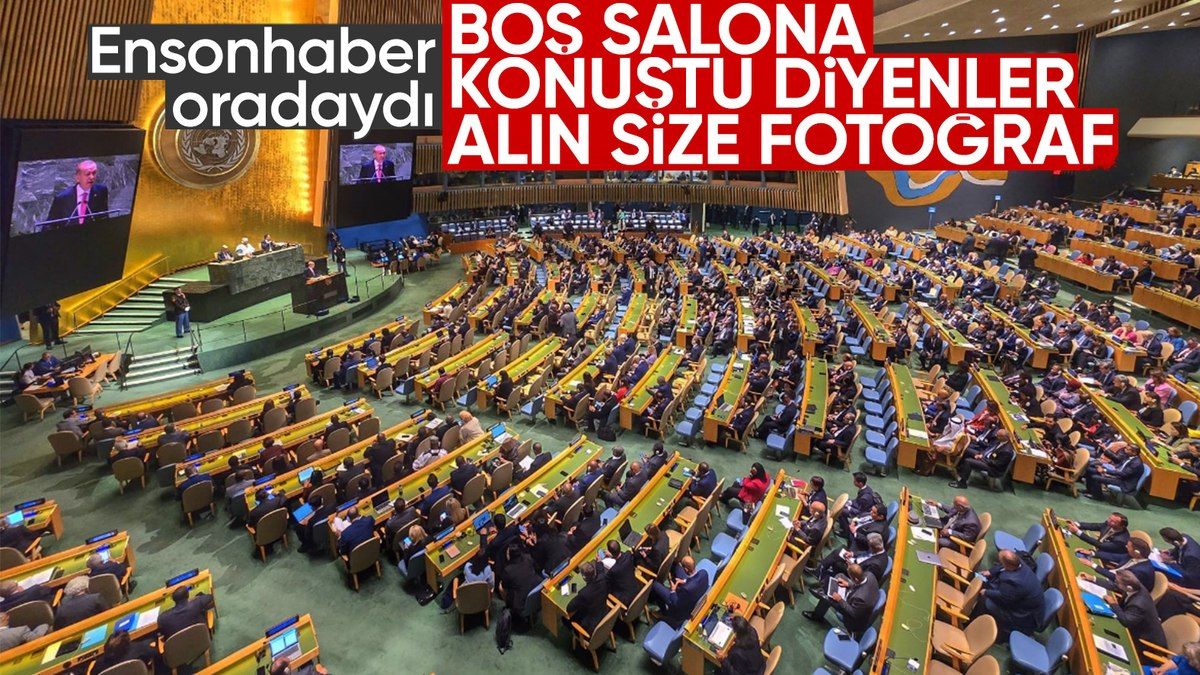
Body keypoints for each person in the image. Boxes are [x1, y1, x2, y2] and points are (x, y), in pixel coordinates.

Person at [803, 563, 880, 637]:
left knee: (828, 597)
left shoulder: (861, 598)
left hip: (852, 616)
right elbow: (860, 583)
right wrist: (848, 584)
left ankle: (817, 615)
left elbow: (852, 613)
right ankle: (824, 589)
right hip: (856, 596)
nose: (849, 577)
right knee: (840, 576)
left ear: (855, 579)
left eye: (850, 577)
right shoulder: (869, 575)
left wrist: (840, 599)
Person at [979, 550, 1044, 637]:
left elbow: (1003, 597)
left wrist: (986, 592)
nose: (1000, 563)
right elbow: (1002, 566)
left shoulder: (1016, 582)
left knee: (986, 601)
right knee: (988, 582)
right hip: (1019, 598)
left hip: (1024, 614)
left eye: (1001, 561)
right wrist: (990, 572)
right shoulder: (1017, 562)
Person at [1107, 570, 1167, 660]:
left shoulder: (1138, 604)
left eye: (1117, 582)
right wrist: (1093, 579)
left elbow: (1126, 621)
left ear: (1129, 588)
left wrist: (1113, 604)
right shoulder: (1135, 587)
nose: (1116, 583)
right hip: (1136, 627)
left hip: (1145, 641)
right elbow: (1114, 586)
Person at [649, 556, 709, 629]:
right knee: (675, 565)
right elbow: (694, 579)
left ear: (686, 569)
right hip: (694, 591)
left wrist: (673, 590)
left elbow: (675, 603)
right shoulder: (704, 573)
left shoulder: (685, 589)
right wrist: (684, 581)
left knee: (654, 584)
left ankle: (664, 612)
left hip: (681, 607)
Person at [46, 159, 109, 227]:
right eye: (87, 174)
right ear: (77, 177)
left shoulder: (101, 191)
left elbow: (104, 217)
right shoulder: (62, 198)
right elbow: (49, 226)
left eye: (94, 173)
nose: (92, 177)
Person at [566, 561, 611, 633]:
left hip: (591, 626)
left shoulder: (584, 593)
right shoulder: (602, 578)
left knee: (566, 619)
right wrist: (598, 561)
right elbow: (600, 568)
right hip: (605, 613)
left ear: (583, 577)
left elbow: (569, 608)